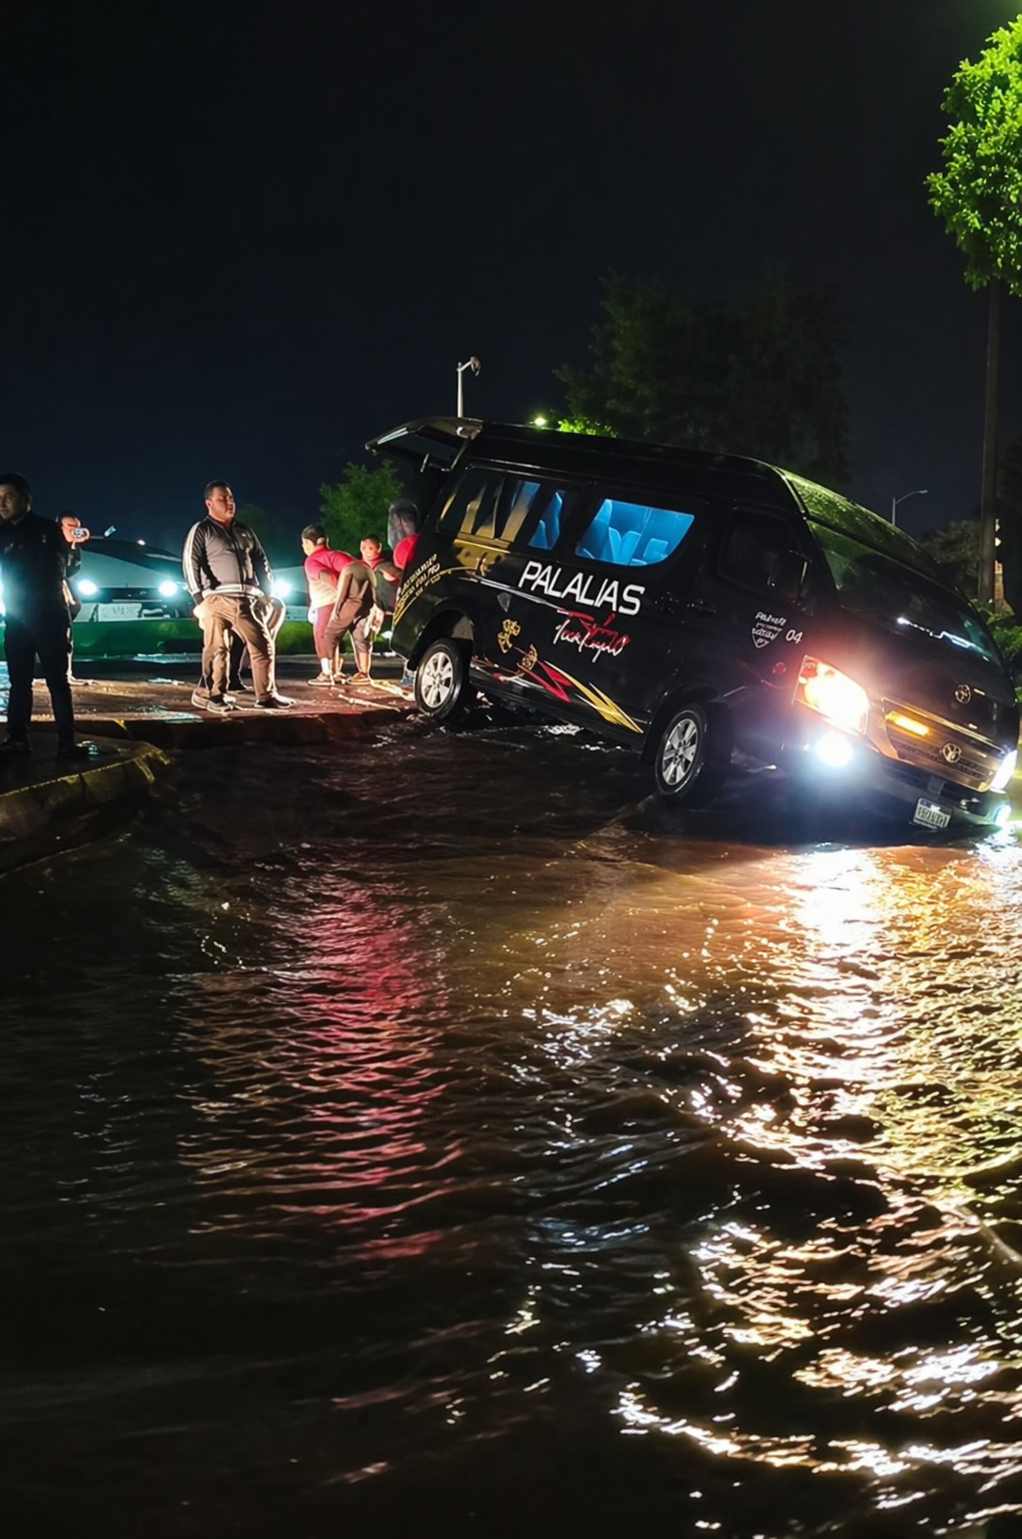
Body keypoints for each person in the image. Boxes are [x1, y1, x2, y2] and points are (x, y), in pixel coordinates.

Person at [0, 473, 90, 760]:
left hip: (48, 616)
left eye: (9, 497)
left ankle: (67, 741)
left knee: (57, 682)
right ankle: (17, 737)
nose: (2, 503)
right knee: (19, 682)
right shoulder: (1, 532)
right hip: (16, 618)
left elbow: (67, 570)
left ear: (26, 499)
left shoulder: (49, 530)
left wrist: (74, 549)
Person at [181, 481, 292, 712]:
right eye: (223, 498)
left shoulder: (245, 530)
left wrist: (268, 594)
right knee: (217, 648)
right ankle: (214, 696)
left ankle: (266, 695)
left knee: (263, 646)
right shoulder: (202, 530)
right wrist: (200, 600)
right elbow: (190, 563)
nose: (229, 502)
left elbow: (261, 561)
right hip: (217, 599)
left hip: (247, 600)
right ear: (209, 503)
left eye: (231, 498)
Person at [301, 525, 352, 683]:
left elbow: (328, 577)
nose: (303, 548)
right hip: (348, 603)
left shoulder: (312, 560)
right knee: (334, 638)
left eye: (303, 544)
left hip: (327, 603)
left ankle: (326, 673)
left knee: (322, 636)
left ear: (308, 543)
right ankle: (335, 672)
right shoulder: (341, 556)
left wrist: (341, 595)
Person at [321, 550, 375, 684]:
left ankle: (329, 672)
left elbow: (342, 592)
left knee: (330, 634)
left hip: (350, 604)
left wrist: (336, 610)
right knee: (362, 639)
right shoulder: (367, 569)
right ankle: (364, 674)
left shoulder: (348, 568)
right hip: (366, 607)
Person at [57, 512, 89, 682]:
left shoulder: (74, 549)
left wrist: (74, 545)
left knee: (67, 635)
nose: (75, 531)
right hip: (52, 596)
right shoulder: (52, 546)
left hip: (68, 598)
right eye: (70, 527)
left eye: (77, 527)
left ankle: (67, 672)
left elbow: (72, 571)